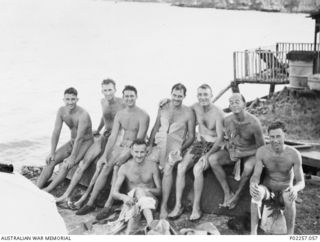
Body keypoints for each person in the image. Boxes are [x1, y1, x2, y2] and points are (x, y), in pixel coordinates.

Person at [76, 85, 150, 216]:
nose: (129, 99)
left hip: (134, 148)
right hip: (121, 146)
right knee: (105, 165)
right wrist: (105, 155)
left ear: (136, 97)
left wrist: (127, 154)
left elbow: (140, 140)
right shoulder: (120, 115)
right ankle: (90, 203)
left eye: (131, 96)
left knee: (116, 167)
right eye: (126, 96)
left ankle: (108, 205)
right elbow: (113, 136)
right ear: (123, 97)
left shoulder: (143, 115)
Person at [55, 79, 125, 206]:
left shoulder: (123, 103)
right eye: (105, 90)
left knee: (100, 164)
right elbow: (105, 117)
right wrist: (98, 130)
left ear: (115, 90)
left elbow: (132, 119)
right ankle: (66, 194)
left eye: (110, 90)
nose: (107, 93)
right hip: (105, 134)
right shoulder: (102, 101)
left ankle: (87, 197)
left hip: (117, 136)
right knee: (83, 163)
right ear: (101, 90)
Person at [168, 84, 225, 220]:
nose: (202, 98)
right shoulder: (195, 107)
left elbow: (221, 138)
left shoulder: (218, 113)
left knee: (197, 169)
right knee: (181, 167)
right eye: (200, 95)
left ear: (211, 95)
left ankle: (196, 207)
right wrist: (165, 101)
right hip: (200, 143)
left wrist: (207, 155)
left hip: (214, 145)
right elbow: (178, 107)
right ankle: (178, 206)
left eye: (206, 95)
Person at [206, 93, 265, 211]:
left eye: (237, 101)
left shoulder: (254, 123)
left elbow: (261, 148)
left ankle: (237, 195)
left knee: (248, 167)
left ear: (244, 104)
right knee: (212, 159)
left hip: (250, 152)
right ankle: (227, 193)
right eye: (231, 102)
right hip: (236, 151)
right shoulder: (227, 120)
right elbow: (227, 140)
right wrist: (231, 150)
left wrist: (242, 154)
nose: (234, 104)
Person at [147, 83, 195, 219]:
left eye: (180, 96)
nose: (177, 98)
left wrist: (180, 149)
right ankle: (147, 199)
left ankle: (163, 206)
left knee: (168, 169)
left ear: (184, 96)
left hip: (176, 147)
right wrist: (150, 145)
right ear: (171, 94)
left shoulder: (188, 112)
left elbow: (192, 136)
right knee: (148, 162)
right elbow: (156, 126)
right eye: (174, 95)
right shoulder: (163, 106)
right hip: (159, 144)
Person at [250, 121, 305, 235]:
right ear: (268, 137)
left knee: (289, 196)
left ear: (285, 135)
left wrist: (295, 189)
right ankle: (253, 234)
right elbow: (255, 176)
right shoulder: (262, 152)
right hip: (268, 190)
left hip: (284, 191)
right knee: (256, 193)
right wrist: (253, 184)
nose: (275, 140)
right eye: (272, 137)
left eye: (278, 136)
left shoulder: (294, 154)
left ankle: (290, 235)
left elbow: (301, 182)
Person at [37, 87, 94, 192]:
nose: (70, 102)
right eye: (67, 99)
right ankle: (36, 188)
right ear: (63, 100)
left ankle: (48, 190)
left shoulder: (83, 115)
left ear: (77, 99)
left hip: (85, 142)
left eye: (73, 99)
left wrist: (72, 157)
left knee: (65, 165)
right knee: (51, 161)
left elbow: (80, 138)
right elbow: (56, 131)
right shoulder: (61, 111)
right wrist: (52, 152)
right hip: (73, 141)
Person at [113, 139, 161, 234]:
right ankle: (145, 226)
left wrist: (145, 190)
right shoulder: (125, 167)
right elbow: (114, 193)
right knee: (131, 225)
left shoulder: (153, 166)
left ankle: (150, 222)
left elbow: (159, 191)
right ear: (131, 151)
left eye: (142, 152)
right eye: (136, 152)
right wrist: (124, 197)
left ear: (146, 152)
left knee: (139, 191)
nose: (139, 155)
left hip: (152, 202)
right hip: (133, 203)